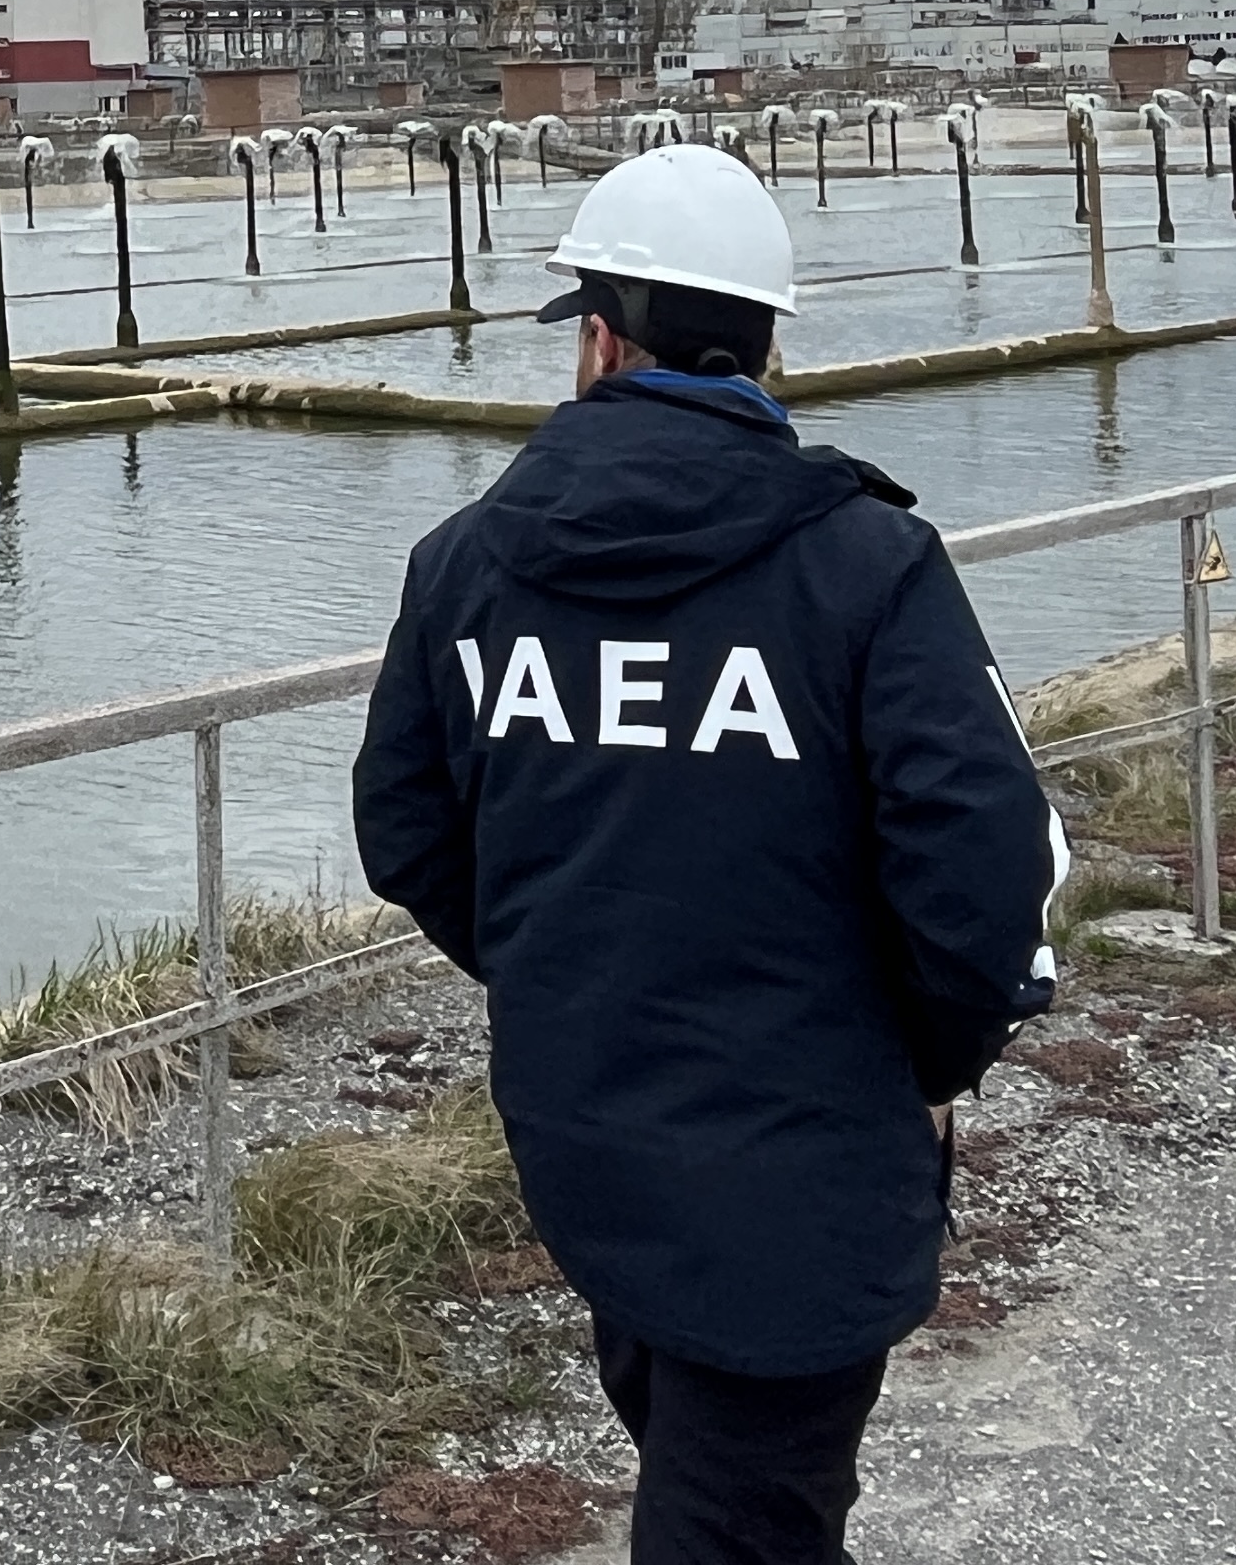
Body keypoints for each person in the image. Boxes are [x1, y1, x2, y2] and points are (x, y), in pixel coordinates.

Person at [353, 142, 1063, 1564]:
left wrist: (566, 970)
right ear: (768, 345)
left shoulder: (465, 567)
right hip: (809, 1158)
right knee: (743, 1509)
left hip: (588, 1133)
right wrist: (926, 1061)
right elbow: (986, 872)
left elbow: (408, 831)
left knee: (713, 1469)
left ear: (601, 340)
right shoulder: (866, 567)